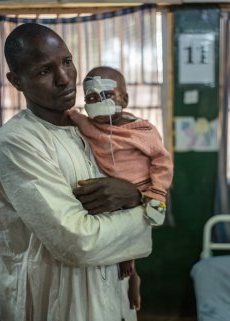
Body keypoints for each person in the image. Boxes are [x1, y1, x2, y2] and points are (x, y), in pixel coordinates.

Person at [0, 23, 165, 321]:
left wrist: (134, 199)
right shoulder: (16, 144)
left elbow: (128, 191)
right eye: (44, 71)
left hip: (112, 285)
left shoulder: (90, 130)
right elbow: (76, 241)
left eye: (67, 62)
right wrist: (146, 209)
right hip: (57, 299)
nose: (64, 79)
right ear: (16, 80)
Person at [68, 67, 173, 311]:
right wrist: (69, 113)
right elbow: (74, 117)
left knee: (133, 227)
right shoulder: (90, 126)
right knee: (114, 226)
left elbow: (162, 161)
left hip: (142, 190)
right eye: (91, 98)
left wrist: (157, 192)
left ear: (124, 100)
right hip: (110, 191)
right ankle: (132, 271)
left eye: (107, 95)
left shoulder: (142, 130)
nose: (98, 102)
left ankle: (132, 269)